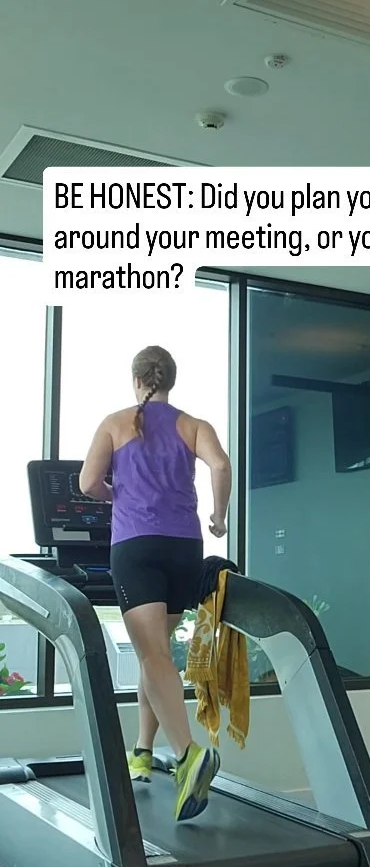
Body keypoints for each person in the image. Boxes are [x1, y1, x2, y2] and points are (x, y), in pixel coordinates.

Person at [79, 345, 232, 821]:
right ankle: (143, 750)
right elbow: (221, 466)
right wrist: (219, 517)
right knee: (158, 653)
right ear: (171, 380)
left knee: (153, 656)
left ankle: (187, 754)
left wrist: (115, 494)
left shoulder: (115, 422)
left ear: (136, 380)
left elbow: (87, 483)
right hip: (183, 548)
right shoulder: (194, 425)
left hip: (137, 546)